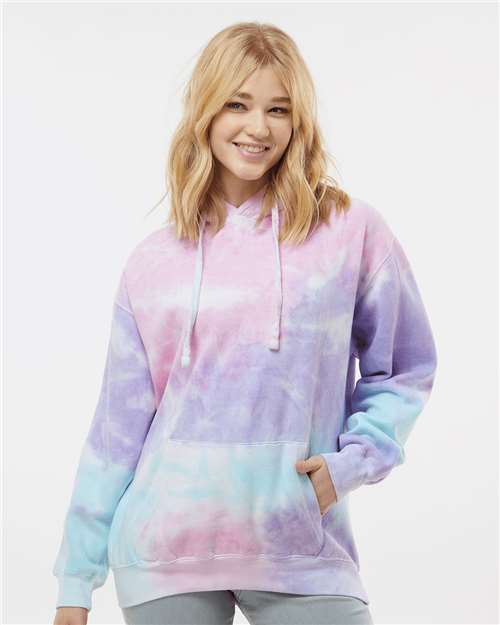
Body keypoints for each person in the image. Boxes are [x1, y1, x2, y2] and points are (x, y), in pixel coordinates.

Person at [52, 21, 437, 625]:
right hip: (164, 550)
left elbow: (406, 368)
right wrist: (75, 583)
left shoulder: (349, 231)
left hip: (300, 546)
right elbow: (114, 433)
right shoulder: (153, 262)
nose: (258, 127)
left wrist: (352, 463)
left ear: (298, 121)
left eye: (278, 109)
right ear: (205, 110)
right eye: (238, 104)